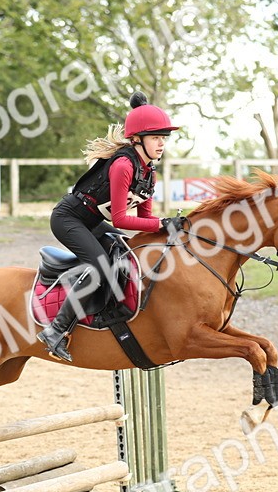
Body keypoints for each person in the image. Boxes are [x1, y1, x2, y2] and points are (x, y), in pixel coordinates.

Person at [37, 92, 188, 362]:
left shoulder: (149, 172)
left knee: (126, 251)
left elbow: (143, 223)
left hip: (93, 222)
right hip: (68, 219)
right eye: (156, 137)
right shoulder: (123, 165)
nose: (162, 143)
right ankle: (55, 331)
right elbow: (120, 220)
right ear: (137, 139)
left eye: (164, 138)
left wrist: (167, 230)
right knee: (99, 266)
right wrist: (162, 223)